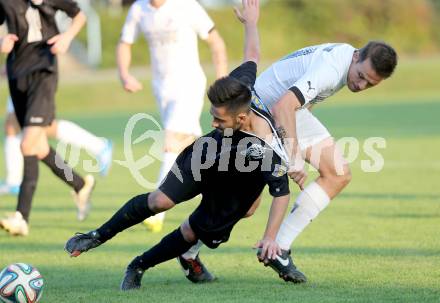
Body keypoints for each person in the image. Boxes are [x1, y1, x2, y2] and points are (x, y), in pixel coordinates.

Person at [65, 0, 294, 290]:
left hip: (236, 171)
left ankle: (138, 265)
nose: (212, 123)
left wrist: (271, 236)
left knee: (202, 227)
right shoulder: (240, 88)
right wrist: (250, 22)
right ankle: (96, 235)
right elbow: (252, 54)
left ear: (242, 118)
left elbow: (282, 193)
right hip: (204, 157)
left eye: (219, 120)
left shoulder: (265, 146)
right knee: (159, 201)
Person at [180, 41, 398, 283]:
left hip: (289, 111)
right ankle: (187, 251)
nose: (360, 85)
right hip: (259, 114)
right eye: (361, 76)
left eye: (370, 84)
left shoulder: (346, 59)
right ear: (357, 57)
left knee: (338, 173)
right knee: (247, 205)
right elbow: (283, 104)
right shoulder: (333, 69)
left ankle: (279, 249)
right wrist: (293, 157)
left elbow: (298, 96)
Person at [117, 0, 228, 232]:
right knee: (191, 145)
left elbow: (216, 42)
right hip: (162, 89)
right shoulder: (139, 9)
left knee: (171, 141)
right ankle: (216, 189)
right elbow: (124, 43)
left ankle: (157, 209)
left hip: (188, 83)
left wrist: (221, 80)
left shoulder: (186, 5)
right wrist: (124, 74)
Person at [0, 0, 95, 236]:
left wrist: (67, 37)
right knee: (39, 147)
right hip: (17, 76)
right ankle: (80, 184)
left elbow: (80, 14)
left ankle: (21, 217)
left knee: (27, 144)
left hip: (44, 73)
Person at [0, 97, 113, 196]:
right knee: (14, 125)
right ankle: (13, 181)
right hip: (20, 75)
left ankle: (99, 146)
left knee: (36, 125)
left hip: (32, 76)